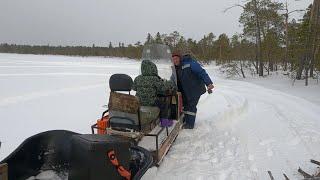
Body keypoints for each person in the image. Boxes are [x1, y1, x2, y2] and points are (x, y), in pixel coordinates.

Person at [171, 52, 214, 129]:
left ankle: (190, 125)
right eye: (173, 59)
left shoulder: (190, 64)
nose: (175, 61)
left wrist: (209, 83)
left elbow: (202, 72)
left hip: (195, 89)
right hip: (185, 91)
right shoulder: (175, 68)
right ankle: (186, 120)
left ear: (180, 58)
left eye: (176, 58)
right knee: (184, 105)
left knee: (191, 106)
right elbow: (173, 78)